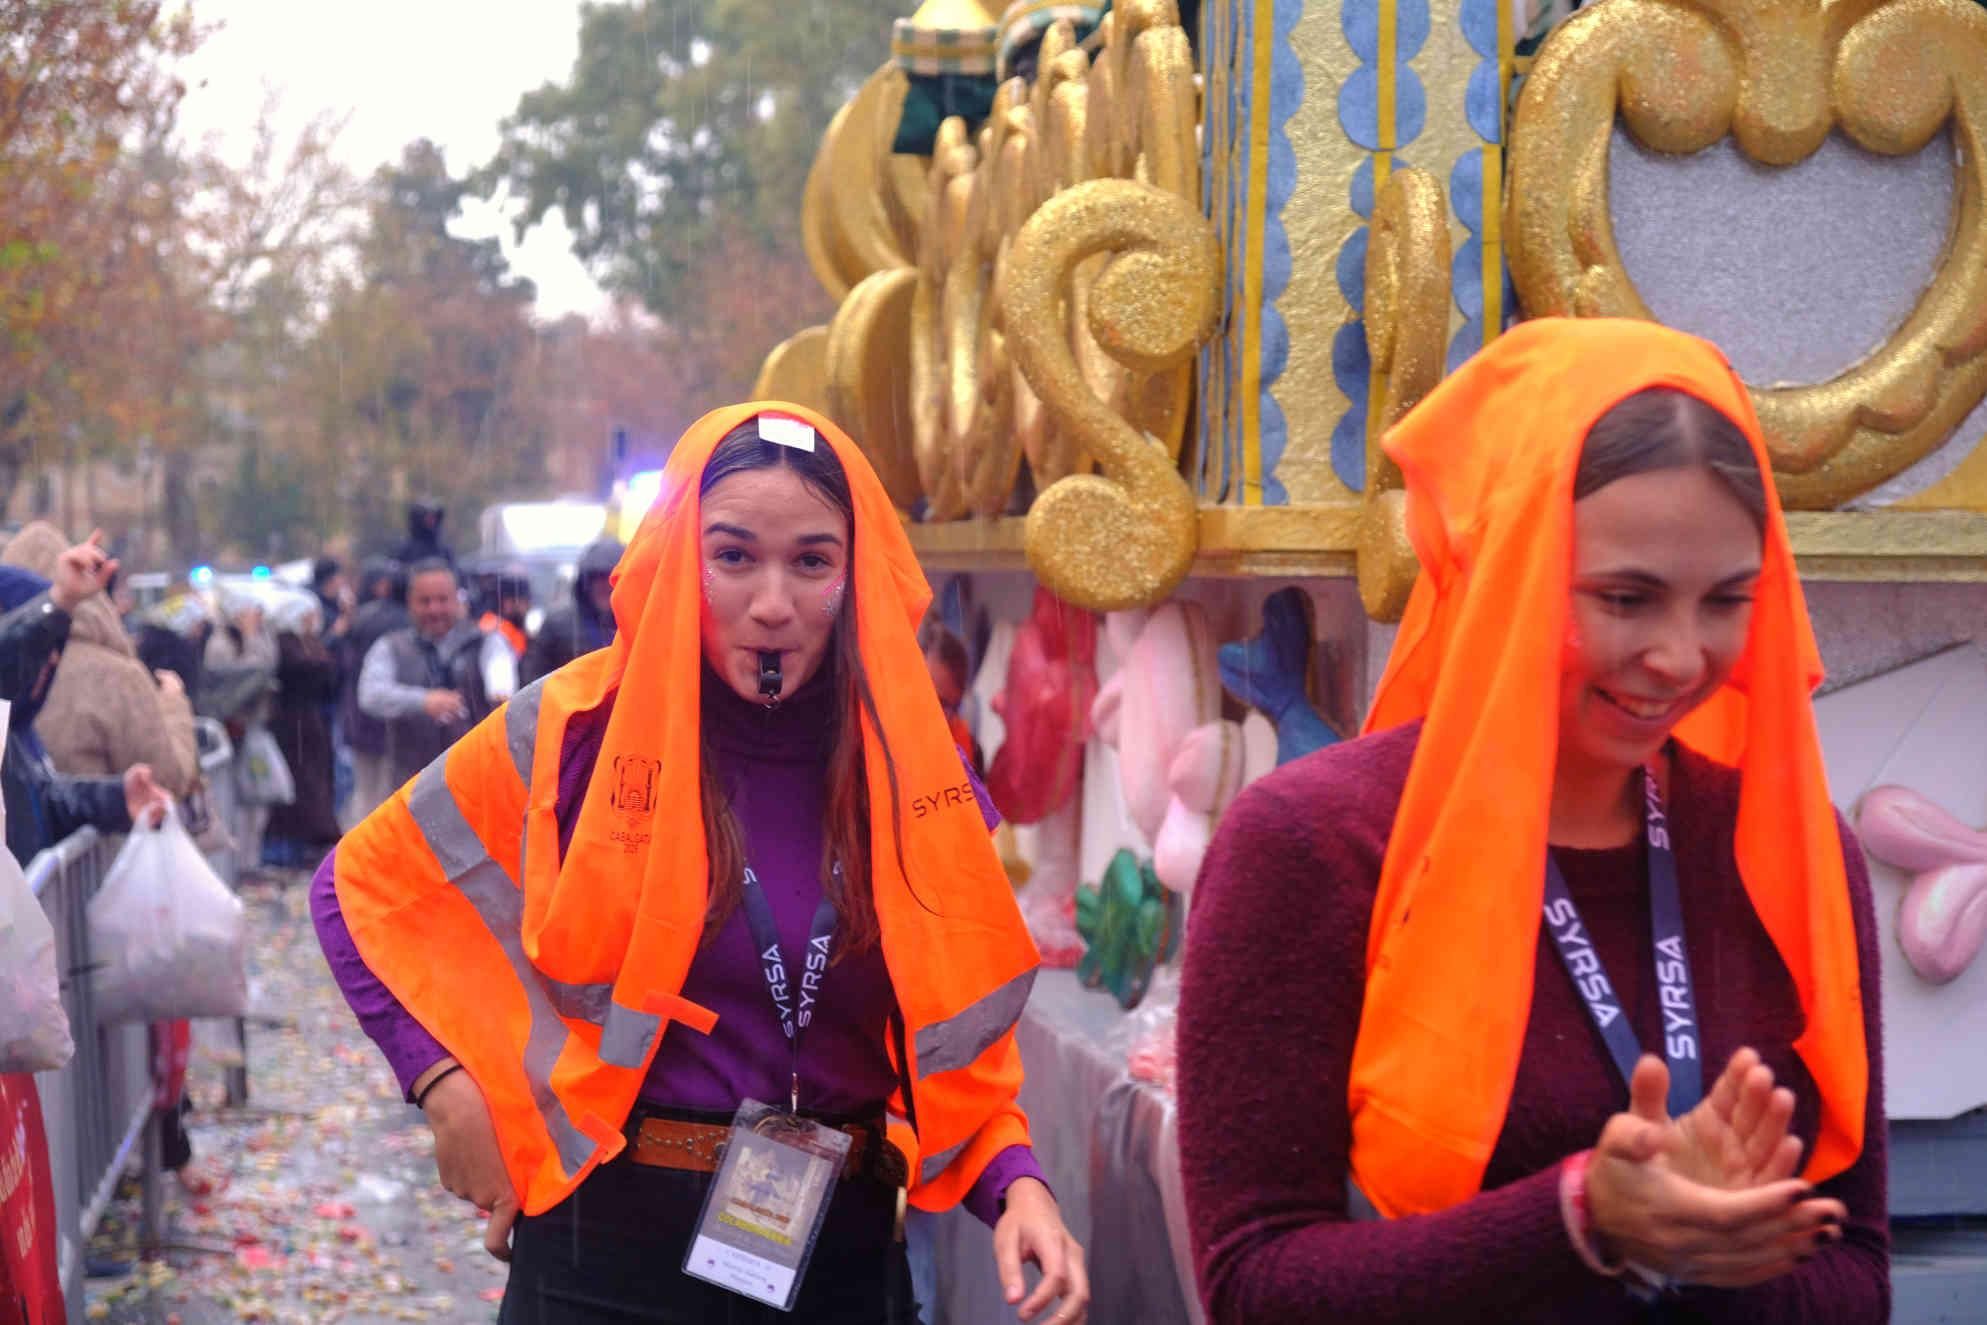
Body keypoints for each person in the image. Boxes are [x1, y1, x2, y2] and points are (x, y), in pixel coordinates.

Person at [312, 404, 1088, 1324]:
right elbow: (359, 889)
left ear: (856, 573)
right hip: (602, 1263)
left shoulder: (914, 762)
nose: (771, 601)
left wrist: (1016, 1182)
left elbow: (952, 1027)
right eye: (732, 556)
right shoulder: (576, 727)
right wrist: (449, 1090)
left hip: (838, 1266)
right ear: (682, 560)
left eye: (810, 560)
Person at [1178, 320, 1887, 1322]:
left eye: (1727, 599)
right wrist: (1581, 1220)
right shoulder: (1312, 845)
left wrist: (1703, 1248)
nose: (1679, 657)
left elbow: (1856, 1270)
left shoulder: (1781, 852)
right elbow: (1253, 1282)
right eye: (1625, 597)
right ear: (1509, 571)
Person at [0, 534, 172, 866]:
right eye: (40, 654)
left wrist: (117, 798)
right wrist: (56, 603)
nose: (48, 664)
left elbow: (39, 803)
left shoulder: (16, 739)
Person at [1, 522, 198, 800]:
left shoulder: (17, 674)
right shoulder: (116, 675)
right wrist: (172, 705)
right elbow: (168, 779)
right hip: (106, 840)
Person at [356, 559, 511, 792]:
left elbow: (501, 673)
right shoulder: (390, 646)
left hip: (476, 785)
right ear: (410, 603)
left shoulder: (487, 641)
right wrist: (423, 701)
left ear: (457, 600)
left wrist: (500, 689)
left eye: (442, 600)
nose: (434, 609)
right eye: (425, 601)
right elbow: (370, 695)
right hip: (409, 788)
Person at [262, 594, 344, 860]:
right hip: (293, 723)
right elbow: (306, 670)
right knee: (300, 785)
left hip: (309, 721)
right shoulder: (286, 643)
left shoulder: (306, 642)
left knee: (313, 781)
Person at [340, 558, 409, 824]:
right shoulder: (405, 624)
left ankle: (357, 850)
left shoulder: (361, 617)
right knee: (387, 792)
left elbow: (345, 662)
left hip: (359, 713)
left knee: (364, 790)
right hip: (391, 718)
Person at [518, 535, 621, 685]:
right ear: (587, 583)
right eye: (597, 577)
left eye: (611, 578)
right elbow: (533, 680)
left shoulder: (634, 626)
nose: (604, 586)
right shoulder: (557, 625)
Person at [392, 500, 455, 571]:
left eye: (433, 518)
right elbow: (395, 570)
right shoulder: (405, 549)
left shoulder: (444, 550)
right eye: (427, 518)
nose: (431, 521)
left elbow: (454, 571)